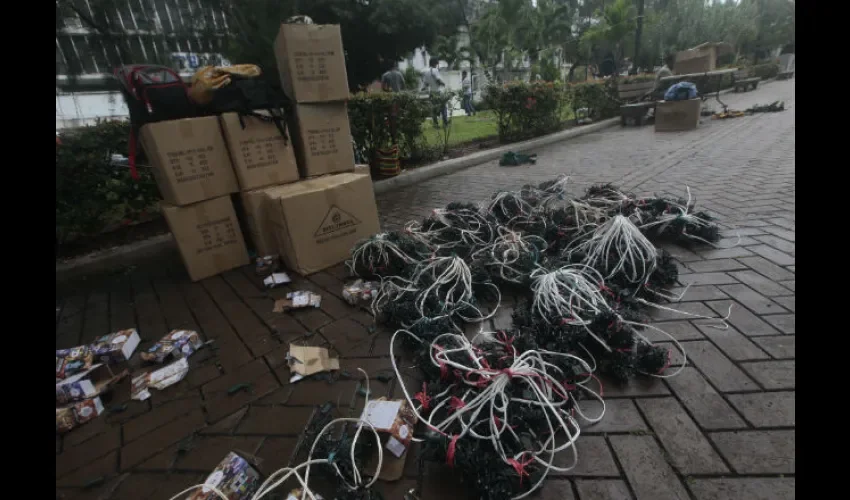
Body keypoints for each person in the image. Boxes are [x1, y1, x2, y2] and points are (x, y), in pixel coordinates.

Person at [421, 59, 448, 128]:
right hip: (438, 92)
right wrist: (443, 83)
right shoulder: (435, 70)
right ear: (435, 64)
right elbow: (438, 79)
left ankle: (436, 124)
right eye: (437, 64)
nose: (437, 65)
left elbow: (425, 85)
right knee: (443, 108)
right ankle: (445, 124)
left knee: (434, 109)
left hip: (431, 93)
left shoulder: (426, 72)